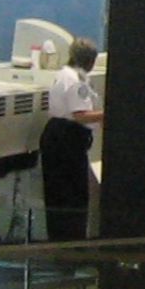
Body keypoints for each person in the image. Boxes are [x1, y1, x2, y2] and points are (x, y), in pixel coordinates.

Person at [39, 38, 102, 242]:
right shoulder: (76, 82)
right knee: (72, 194)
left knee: (57, 193)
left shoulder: (64, 75)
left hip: (56, 134)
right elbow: (81, 115)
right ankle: (71, 242)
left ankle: (59, 240)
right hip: (68, 139)